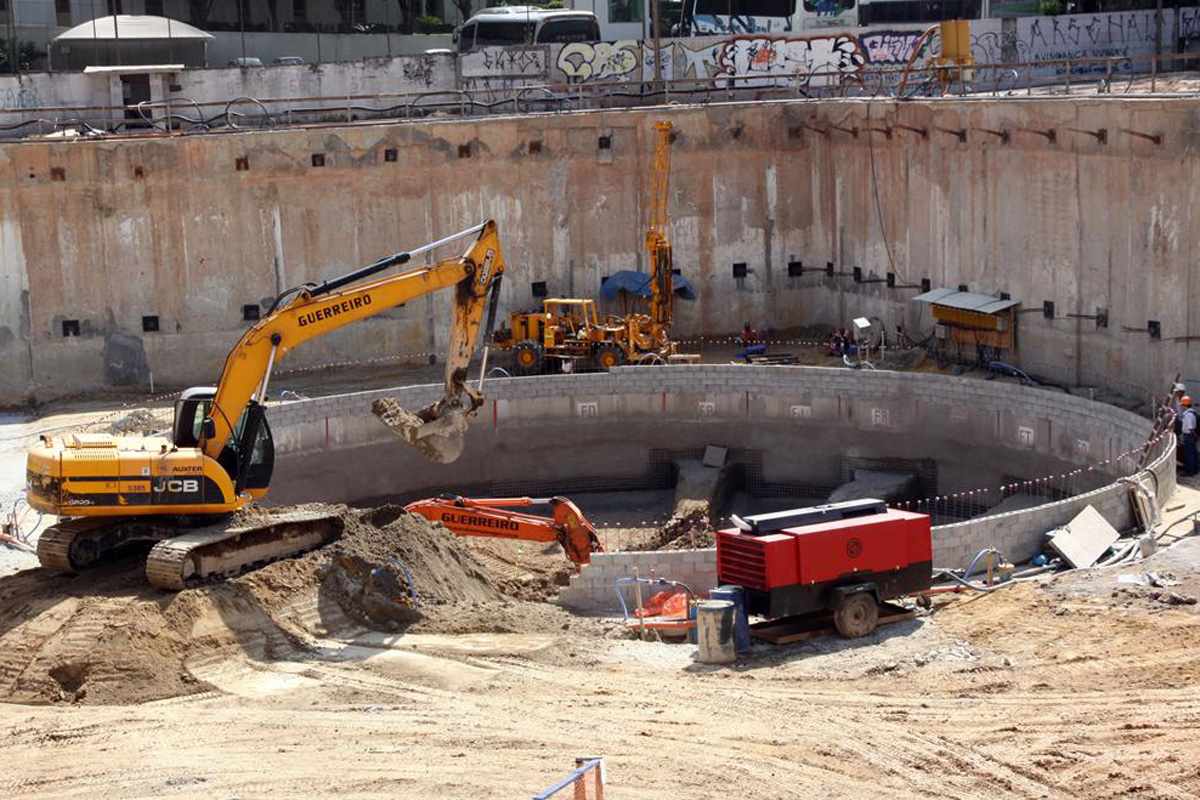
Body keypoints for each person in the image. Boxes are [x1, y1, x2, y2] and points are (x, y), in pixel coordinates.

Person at [1181, 396, 1198, 476]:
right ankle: (1194, 470)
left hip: (1188, 436)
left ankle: (1189, 471)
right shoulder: (1193, 413)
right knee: (1193, 453)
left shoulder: (1188, 415)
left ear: (1184, 405)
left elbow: (1190, 428)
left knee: (1189, 454)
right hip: (1191, 436)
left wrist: (1194, 436)